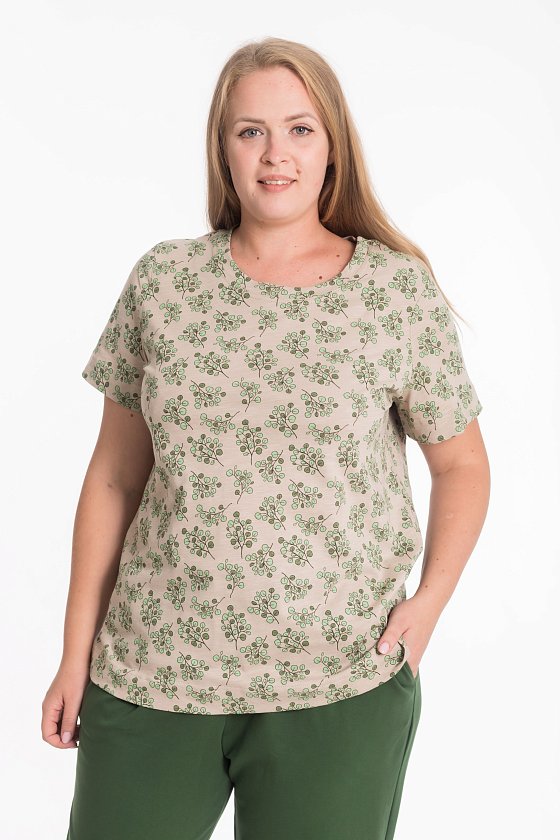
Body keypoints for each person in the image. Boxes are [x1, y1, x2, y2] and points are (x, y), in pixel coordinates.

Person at [42, 36, 490, 840]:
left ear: (333, 147)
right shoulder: (164, 282)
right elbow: (113, 477)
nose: (275, 154)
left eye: (299, 130)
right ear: (223, 149)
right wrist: (75, 656)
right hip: (154, 670)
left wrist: (429, 603)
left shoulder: (393, 291)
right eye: (250, 131)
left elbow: (460, 463)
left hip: (337, 681)